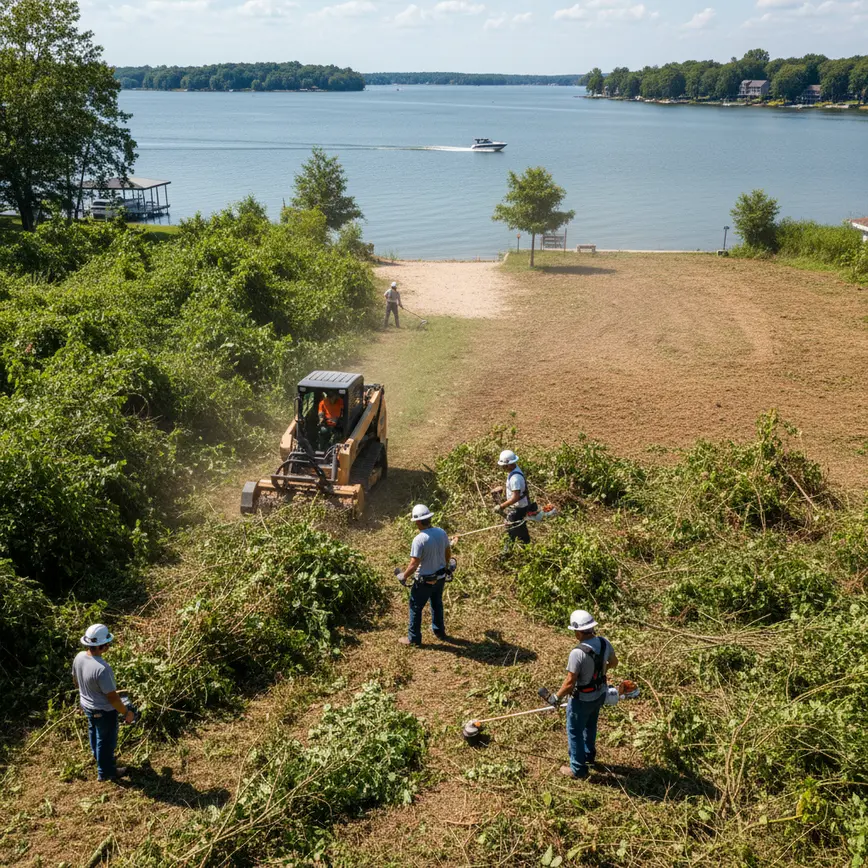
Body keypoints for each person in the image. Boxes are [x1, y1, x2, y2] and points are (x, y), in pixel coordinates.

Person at [545, 609, 618, 780]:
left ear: (578, 631)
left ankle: (578, 769)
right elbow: (614, 662)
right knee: (591, 725)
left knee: (575, 731)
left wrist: (556, 698)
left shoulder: (577, 653)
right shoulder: (604, 642)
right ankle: (588, 756)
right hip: (600, 694)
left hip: (582, 699)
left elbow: (570, 682)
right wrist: (601, 671)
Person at [72, 623, 134, 782]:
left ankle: (99, 758)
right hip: (103, 711)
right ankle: (106, 772)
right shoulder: (102, 668)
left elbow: (76, 681)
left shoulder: (79, 657)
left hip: (87, 706)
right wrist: (126, 713)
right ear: (101, 646)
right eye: (107, 643)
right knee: (106, 741)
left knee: (94, 733)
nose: (109, 645)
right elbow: (112, 698)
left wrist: (86, 695)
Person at [397, 504, 453, 646]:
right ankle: (439, 631)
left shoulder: (419, 539)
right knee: (436, 603)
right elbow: (448, 553)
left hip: (424, 582)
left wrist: (403, 576)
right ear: (429, 518)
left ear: (417, 521)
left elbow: (414, 564)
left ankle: (414, 639)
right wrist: (445, 565)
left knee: (415, 607)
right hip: (440, 578)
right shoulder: (441, 532)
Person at [494, 449, 531, 548]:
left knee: (511, 532)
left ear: (509, 464)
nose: (503, 468)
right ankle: (527, 548)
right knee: (521, 529)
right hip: (521, 506)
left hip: (518, 508)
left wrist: (501, 506)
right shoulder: (515, 471)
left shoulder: (515, 478)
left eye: (504, 466)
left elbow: (516, 497)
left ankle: (505, 554)